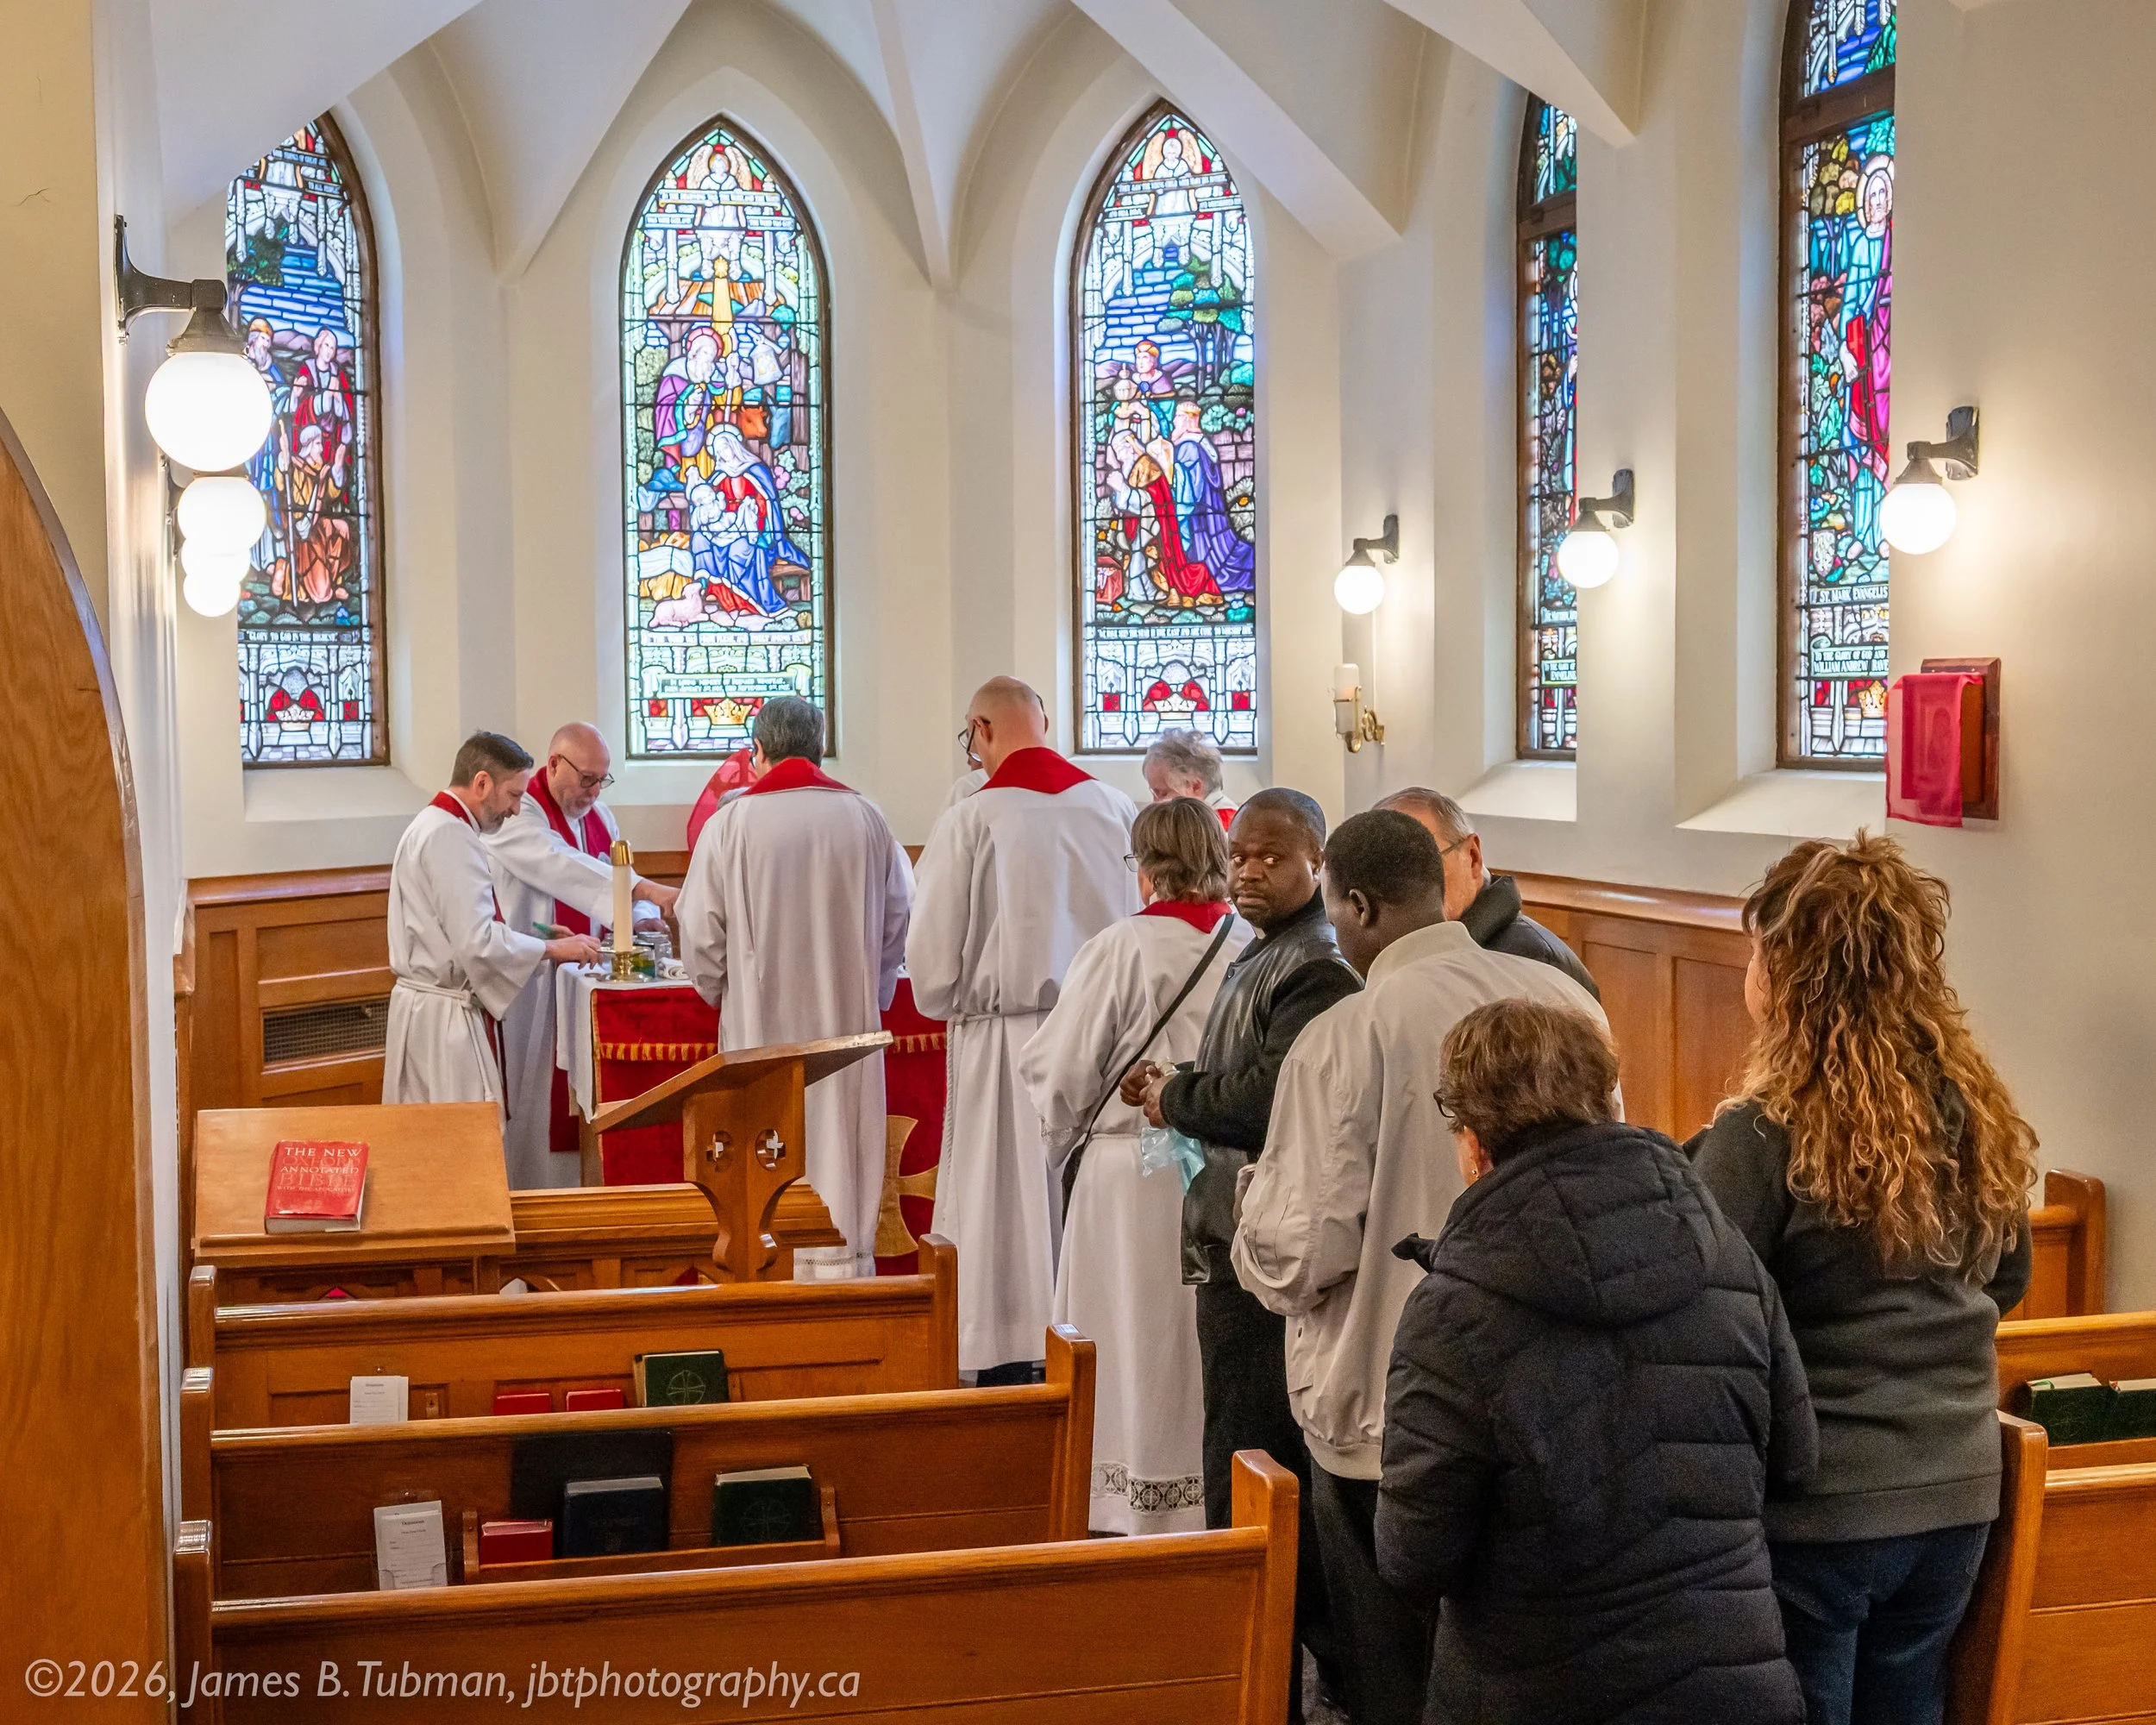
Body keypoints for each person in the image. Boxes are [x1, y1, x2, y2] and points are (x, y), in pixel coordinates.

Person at [1232, 810, 1609, 1725]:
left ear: (1355, 905)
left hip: (1384, 1412)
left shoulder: (1345, 1033)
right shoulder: (1564, 999)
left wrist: (1246, 1211)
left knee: (1394, 1666)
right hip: (1558, 1398)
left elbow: (1297, 1252)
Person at [1378, 999, 1814, 1725]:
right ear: (1606, 1105)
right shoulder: (1724, 1251)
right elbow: (1795, 1462)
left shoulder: (1452, 1314)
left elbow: (1414, 1558)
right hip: (1731, 1681)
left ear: (1476, 1144)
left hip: (1537, 1689)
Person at [1689, 833, 2036, 1725]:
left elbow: (1712, 1307)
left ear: (1782, 969)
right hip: (1955, 1488)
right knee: (1909, 1704)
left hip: (1822, 1500)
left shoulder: (1765, 1132)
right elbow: (2006, 1277)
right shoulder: (1971, 1109)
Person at [1125, 787, 1360, 1709]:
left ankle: (1264, 1662)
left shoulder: (1314, 968)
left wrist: (1176, 1098)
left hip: (1260, 1248)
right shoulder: (1261, 951)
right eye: (1239, 856)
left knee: (1253, 1451)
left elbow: (1274, 1096)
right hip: (1232, 1229)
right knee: (1237, 1438)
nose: (1249, 869)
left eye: (1271, 855)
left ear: (1318, 861)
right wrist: (1185, 1084)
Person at [1018, 798, 1250, 1535]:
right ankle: (1211, 1496)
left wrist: (1065, 1141)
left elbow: (1061, 1075)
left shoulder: (1122, 947)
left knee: (1129, 1339)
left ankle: (1129, 1500)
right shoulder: (1250, 942)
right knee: (1199, 1342)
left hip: (1131, 1178)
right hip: (1228, 1175)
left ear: (1146, 868)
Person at [907, 678, 1139, 1378]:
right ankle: (1090, 1338)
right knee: (1081, 1192)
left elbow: (933, 960)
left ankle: (1008, 1347)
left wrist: (948, 996)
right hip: (1103, 1032)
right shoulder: (1115, 806)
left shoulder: (972, 817)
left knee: (1004, 1202)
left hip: (1004, 1038)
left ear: (980, 729)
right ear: (1043, 721)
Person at [675, 696, 913, 1278]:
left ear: (757, 752)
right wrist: (871, 985)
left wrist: (722, 993)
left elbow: (701, 933)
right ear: (819, 745)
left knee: (767, 1149)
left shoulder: (729, 824)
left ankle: (768, 1272)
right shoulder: (865, 818)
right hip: (845, 1026)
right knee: (840, 1148)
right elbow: (900, 916)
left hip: (760, 1032)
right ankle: (843, 1276)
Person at [481, 722, 677, 1189]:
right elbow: (559, 864)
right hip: (531, 981)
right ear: (553, 765)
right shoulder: (521, 811)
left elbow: (617, 871)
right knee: (534, 1101)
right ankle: (532, 1197)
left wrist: (645, 913)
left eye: (601, 780)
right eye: (586, 778)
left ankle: (581, 1196)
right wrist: (640, 890)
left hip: (585, 980)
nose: (593, 790)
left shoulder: (601, 818)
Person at [383, 733, 600, 1112]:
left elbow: (450, 928)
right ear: (482, 783)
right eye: (514, 795)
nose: (516, 810)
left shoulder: (433, 824)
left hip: (427, 1013)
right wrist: (552, 950)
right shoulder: (451, 835)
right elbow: (477, 943)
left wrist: (532, 935)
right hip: (444, 1025)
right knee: (461, 1149)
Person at [1375, 786, 1598, 998]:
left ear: (1472, 856)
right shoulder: (1417, 949)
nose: (1402, 887)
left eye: (1421, 865)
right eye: (1386, 874)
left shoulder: (1534, 963)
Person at [1143, 727, 1236, 829]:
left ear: (1195, 787)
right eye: (1155, 793)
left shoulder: (1222, 824)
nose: (1155, 802)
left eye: (1163, 794)